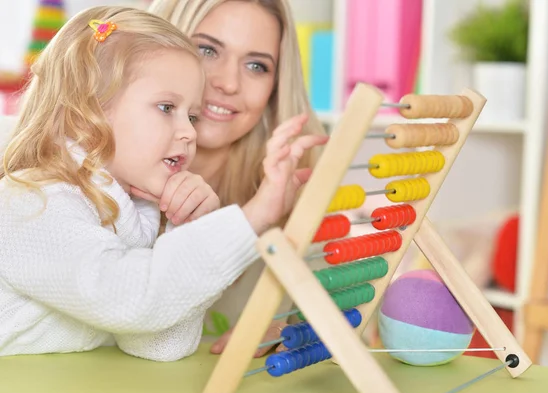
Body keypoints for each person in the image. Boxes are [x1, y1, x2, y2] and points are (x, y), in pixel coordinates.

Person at [0, 5, 325, 362]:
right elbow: (134, 302)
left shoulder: (134, 207)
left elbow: (158, 344)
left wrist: (184, 230)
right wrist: (253, 218)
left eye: (192, 115)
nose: (189, 132)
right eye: (167, 107)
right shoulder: (32, 201)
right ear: (87, 112)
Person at [147, 0, 329, 357]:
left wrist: (294, 333)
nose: (228, 83)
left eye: (256, 65)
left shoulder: (294, 189)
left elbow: (342, 319)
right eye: (206, 50)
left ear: (275, 87)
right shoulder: (86, 180)